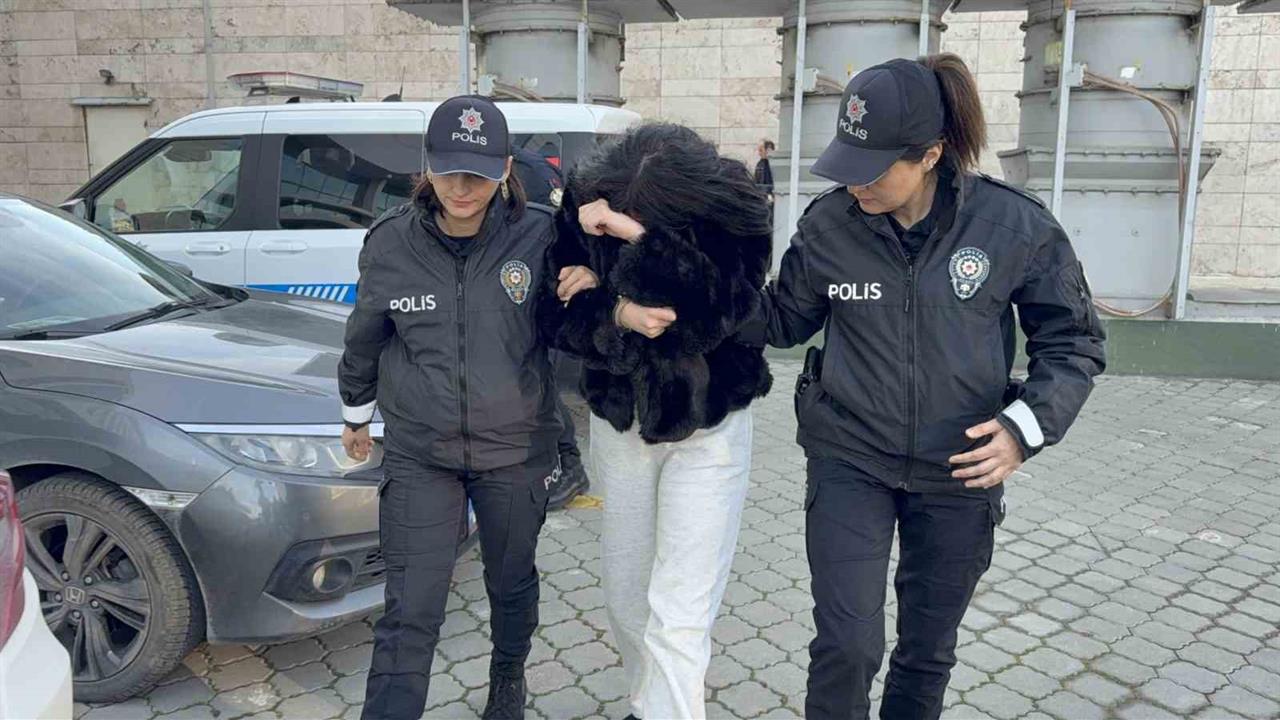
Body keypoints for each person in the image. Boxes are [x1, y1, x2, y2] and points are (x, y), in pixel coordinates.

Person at [734, 54, 1107, 719]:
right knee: (848, 645)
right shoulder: (829, 226)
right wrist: (688, 283)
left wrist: (1023, 431)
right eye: (847, 165)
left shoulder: (1013, 227)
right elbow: (782, 320)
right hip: (850, 459)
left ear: (931, 154)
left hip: (960, 470)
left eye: (873, 169)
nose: (855, 184)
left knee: (927, 651)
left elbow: (1073, 342)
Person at [338, 95, 599, 720]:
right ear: (427, 165)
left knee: (511, 583)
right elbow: (366, 334)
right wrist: (355, 412)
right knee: (411, 606)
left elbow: (591, 304)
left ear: (505, 168)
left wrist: (593, 281)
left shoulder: (541, 234)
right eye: (449, 170)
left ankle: (508, 677)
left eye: (478, 174)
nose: (462, 188)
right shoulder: (390, 243)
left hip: (515, 449)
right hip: (421, 454)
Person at [549, 123, 774, 720]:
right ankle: (647, 703)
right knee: (626, 594)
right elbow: (554, 312)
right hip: (621, 423)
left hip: (711, 429)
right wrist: (614, 312)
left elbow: (721, 311)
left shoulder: (732, 207)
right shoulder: (585, 202)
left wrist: (637, 240)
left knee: (679, 610)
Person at [512, 145, 591, 509]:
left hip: (541, 298)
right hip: (539, 297)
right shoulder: (531, 163)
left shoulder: (523, 169)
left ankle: (568, 468)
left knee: (541, 389)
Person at [754, 139, 776, 226]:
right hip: (762, 197)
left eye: (761, 150)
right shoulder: (760, 164)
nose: (759, 153)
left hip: (770, 197)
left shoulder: (772, 164)